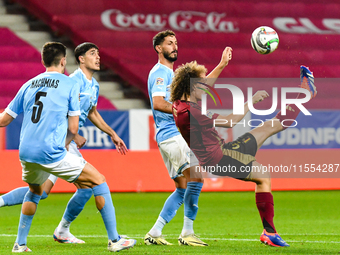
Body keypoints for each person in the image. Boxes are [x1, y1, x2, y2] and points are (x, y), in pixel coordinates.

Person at [0, 42, 136, 252]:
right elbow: (71, 124)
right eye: (93, 53)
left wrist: (112, 133)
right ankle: (115, 240)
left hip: (27, 151)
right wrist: (73, 136)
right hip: (56, 147)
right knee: (98, 181)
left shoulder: (29, 84)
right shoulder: (71, 82)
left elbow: (4, 120)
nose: (98, 57)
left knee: (38, 192)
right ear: (66, 61)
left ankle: (21, 243)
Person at [170, 60, 317, 247]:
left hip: (226, 150)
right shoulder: (191, 111)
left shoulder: (178, 105)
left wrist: (222, 64)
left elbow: (201, 87)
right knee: (263, 176)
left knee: (271, 126)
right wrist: (251, 101)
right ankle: (269, 232)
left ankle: (305, 94)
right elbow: (230, 121)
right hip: (220, 158)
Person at [144, 30, 231, 246]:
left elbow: (201, 88)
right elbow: (157, 103)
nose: (174, 46)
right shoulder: (160, 73)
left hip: (171, 136)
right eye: (169, 43)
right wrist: (183, 110)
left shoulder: (173, 76)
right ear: (158, 48)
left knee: (182, 187)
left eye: (176, 43)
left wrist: (220, 65)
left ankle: (154, 233)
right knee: (197, 178)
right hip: (172, 135)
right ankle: (187, 233)